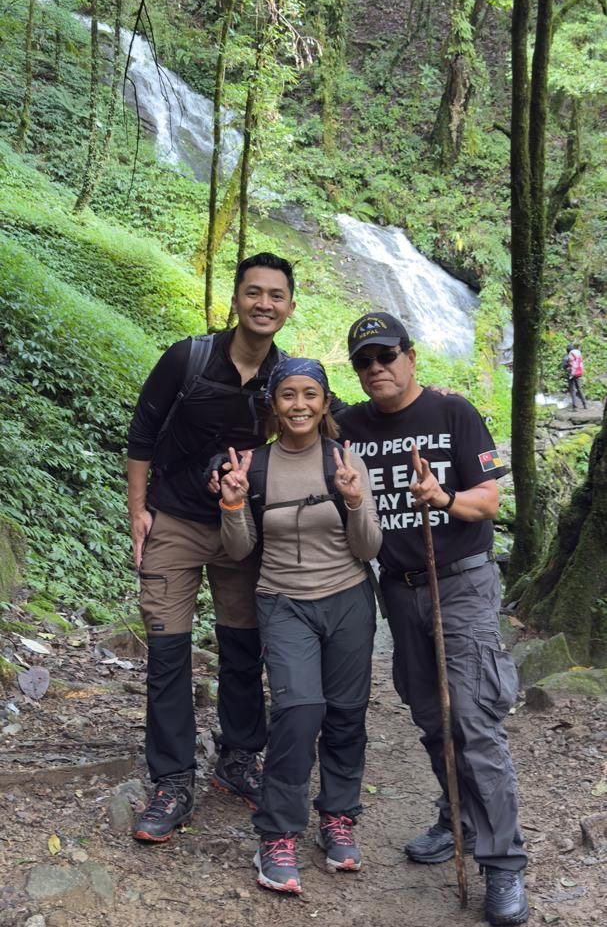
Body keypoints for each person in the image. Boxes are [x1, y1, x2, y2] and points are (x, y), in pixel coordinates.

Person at [337, 312, 528, 927]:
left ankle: (502, 864)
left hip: (462, 582)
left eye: (387, 355)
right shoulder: (349, 427)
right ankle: (459, 818)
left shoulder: (453, 413)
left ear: (411, 355)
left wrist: (444, 498)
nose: (377, 369)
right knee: (429, 714)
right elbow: (290, 410)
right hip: (398, 587)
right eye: (365, 361)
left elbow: (489, 500)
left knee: (472, 719)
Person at [127, 252, 297, 841]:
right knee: (168, 652)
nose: (264, 304)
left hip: (241, 528)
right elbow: (142, 433)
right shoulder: (189, 357)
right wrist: (138, 513)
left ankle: (239, 756)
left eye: (276, 295)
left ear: (290, 307)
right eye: (254, 293)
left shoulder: (285, 379)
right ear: (236, 299)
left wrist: (413, 390)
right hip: (173, 519)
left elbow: (327, 421)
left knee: (243, 645)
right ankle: (172, 779)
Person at [219, 358, 381, 895]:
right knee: (297, 711)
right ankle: (278, 833)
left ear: (325, 401)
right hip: (283, 601)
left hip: (349, 599)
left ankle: (339, 817)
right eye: (288, 394)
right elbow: (240, 550)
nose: (299, 405)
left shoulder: (344, 459)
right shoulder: (256, 466)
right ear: (274, 403)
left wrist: (355, 501)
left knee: (346, 713)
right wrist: (235, 501)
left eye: (310, 394)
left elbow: (369, 547)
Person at [561, 343, 587, 410]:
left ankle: (575, 407)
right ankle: (585, 404)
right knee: (579, 388)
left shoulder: (566, 357)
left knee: (572, 390)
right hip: (578, 373)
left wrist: (566, 367)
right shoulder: (577, 354)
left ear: (567, 350)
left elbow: (563, 366)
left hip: (570, 374)